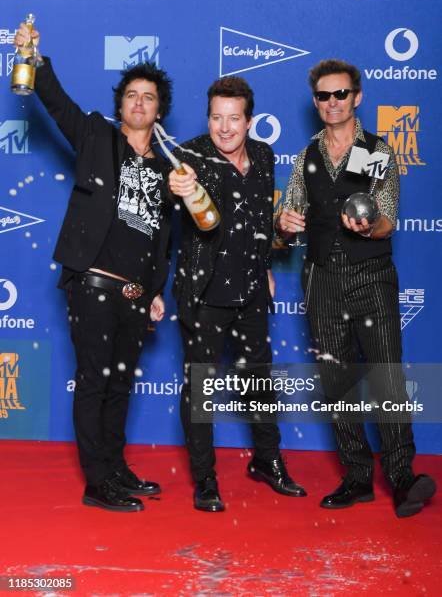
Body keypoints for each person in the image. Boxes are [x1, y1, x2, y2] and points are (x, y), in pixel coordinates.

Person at [14, 23, 173, 512]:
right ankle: (96, 481)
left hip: (135, 293)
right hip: (93, 284)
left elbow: (164, 237)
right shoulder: (95, 136)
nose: (139, 103)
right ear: (120, 104)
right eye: (131, 95)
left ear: (159, 108)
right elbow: (55, 100)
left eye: (148, 97)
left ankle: (116, 468)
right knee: (94, 381)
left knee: (121, 383)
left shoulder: (171, 167)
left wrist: (155, 289)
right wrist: (32, 55)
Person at [278, 59, 436, 518]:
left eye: (340, 94)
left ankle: (403, 476)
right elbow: (287, 219)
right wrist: (283, 226)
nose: (333, 103)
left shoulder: (376, 151)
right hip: (321, 277)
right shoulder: (306, 157)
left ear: (357, 97)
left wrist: (368, 228)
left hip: (371, 276)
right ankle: (357, 476)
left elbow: (388, 218)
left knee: (386, 373)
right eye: (324, 96)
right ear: (315, 102)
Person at [169, 76, 306, 512]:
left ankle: (267, 461)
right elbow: (171, 198)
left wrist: (265, 262)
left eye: (233, 119)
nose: (224, 128)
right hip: (205, 294)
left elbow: (260, 219)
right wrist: (180, 190)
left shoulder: (264, 156)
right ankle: (205, 478)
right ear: (207, 117)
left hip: (249, 292)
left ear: (249, 122)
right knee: (200, 390)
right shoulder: (188, 157)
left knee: (259, 384)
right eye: (216, 117)